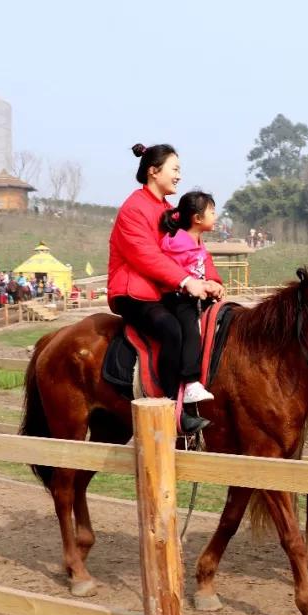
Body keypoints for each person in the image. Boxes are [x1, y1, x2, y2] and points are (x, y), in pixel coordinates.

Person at [107, 142, 213, 434]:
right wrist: (186, 280)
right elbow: (145, 255)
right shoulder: (133, 208)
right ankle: (170, 410)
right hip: (134, 292)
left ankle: (193, 389)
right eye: (174, 169)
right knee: (170, 328)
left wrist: (210, 279)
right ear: (154, 172)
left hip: (162, 290)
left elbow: (192, 248)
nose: (179, 175)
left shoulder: (171, 211)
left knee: (200, 322)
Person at [159, 190, 226, 414]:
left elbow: (205, 269)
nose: (216, 216)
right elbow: (177, 272)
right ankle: (189, 381)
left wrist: (214, 284)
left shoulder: (198, 241)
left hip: (194, 296)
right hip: (177, 298)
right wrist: (200, 284)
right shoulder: (176, 242)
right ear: (197, 219)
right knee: (189, 328)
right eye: (212, 212)